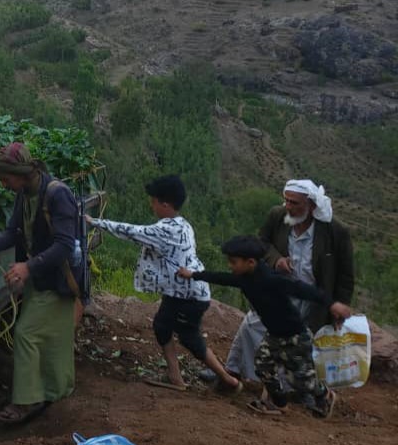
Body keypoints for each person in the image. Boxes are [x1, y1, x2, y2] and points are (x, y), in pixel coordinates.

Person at [86, 175, 241, 393]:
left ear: (165, 204)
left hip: (188, 296)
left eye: (154, 201)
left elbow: (130, 231)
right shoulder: (183, 224)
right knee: (162, 325)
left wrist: (94, 222)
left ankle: (228, 380)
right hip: (180, 291)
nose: (152, 205)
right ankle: (175, 377)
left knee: (189, 337)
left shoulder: (164, 231)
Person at [0, 142, 82, 425]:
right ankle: (55, 389)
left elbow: (65, 245)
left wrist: (27, 267)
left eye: (6, 179)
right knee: (52, 336)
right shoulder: (25, 193)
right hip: (42, 278)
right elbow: (13, 233)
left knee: (27, 333)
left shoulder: (57, 195)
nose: (4, 185)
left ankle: (28, 401)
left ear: (22, 173)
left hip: (58, 280)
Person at [178, 235, 350, 417]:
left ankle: (325, 395)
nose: (230, 266)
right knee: (262, 365)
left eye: (233, 262)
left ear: (250, 262)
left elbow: (301, 289)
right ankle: (279, 403)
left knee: (301, 380)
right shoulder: (244, 277)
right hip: (275, 334)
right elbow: (221, 278)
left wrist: (331, 304)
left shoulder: (271, 279)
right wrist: (193, 275)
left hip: (295, 336)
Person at [223, 179, 355, 382]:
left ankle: (296, 388)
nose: (288, 207)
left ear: (311, 206)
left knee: (299, 342)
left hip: (312, 296)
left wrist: (340, 305)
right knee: (251, 325)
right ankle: (235, 371)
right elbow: (261, 243)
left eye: (295, 203)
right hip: (280, 289)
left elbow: (346, 274)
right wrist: (276, 261)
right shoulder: (278, 216)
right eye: (286, 201)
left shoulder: (335, 232)